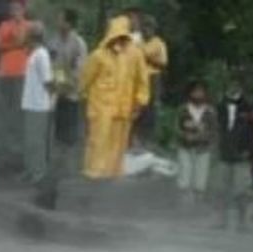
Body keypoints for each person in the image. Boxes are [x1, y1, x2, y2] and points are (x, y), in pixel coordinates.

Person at [80, 16, 149, 179]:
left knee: (119, 146)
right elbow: (84, 80)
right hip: (101, 108)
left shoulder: (136, 54)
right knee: (99, 142)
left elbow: (143, 81)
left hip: (125, 108)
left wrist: (140, 101)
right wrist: (83, 97)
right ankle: (93, 175)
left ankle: (113, 176)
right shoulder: (98, 56)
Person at [215, 81, 253, 230]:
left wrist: (251, 151)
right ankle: (221, 220)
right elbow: (217, 129)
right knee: (221, 189)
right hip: (224, 153)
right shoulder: (221, 106)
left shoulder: (248, 107)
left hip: (241, 154)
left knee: (241, 190)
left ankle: (242, 221)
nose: (233, 90)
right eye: (231, 87)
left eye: (236, 87)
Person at [0, 0, 31, 156]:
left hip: (22, 73)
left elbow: (26, 43)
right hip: (4, 72)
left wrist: (11, 43)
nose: (13, 11)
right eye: (11, 8)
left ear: (23, 9)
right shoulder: (4, 25)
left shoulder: (29, 26)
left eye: (17, 8)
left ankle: (19, 142)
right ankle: (2, 142)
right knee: (3, 109)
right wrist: (15, 45)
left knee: (19, 108)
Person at [20, 22, 54, 186]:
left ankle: (39, 173)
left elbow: (47, 80)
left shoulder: (42, 54)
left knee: (37, 141)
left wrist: (51, 99)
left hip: (39, 105)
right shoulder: (34, 54)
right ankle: (30, 169)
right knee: (29, 139)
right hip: (30, 103)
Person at [51, 9, 88, 158]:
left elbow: (80, 69)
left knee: (71, 132)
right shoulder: (56, 41)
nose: (58, 22)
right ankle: (60, 164)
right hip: (60, 93)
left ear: (69, 23)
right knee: (59, 131)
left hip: (73, 94)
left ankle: (72, 166)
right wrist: (60, 84)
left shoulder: (79, 43)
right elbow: (56, 65)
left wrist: (69, 85)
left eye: (61, 20)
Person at [175, 80, 217, 205]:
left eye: (200, 91)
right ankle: (184, 203)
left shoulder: (210, 111)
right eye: (195, 92)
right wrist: (185, 136)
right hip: (185, 147)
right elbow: (177, 127)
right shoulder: (183, 109)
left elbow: (214, 129)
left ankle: (199, 204)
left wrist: (203, 137)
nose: (198, 94)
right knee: (184, 174)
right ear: (190, 93)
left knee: (201, 176)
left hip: (203, 148)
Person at [135, 16, 168, 148]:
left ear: (154, 29)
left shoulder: (159, 43)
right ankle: (135, 140)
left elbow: (163, 63)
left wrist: (147, 58)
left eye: (150, 27)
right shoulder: (137, 41)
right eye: (145, 27)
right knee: (137, 109)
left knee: (150, 110)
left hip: (152, 78)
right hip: (137, 78)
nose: (147, 30)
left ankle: (148, 141)